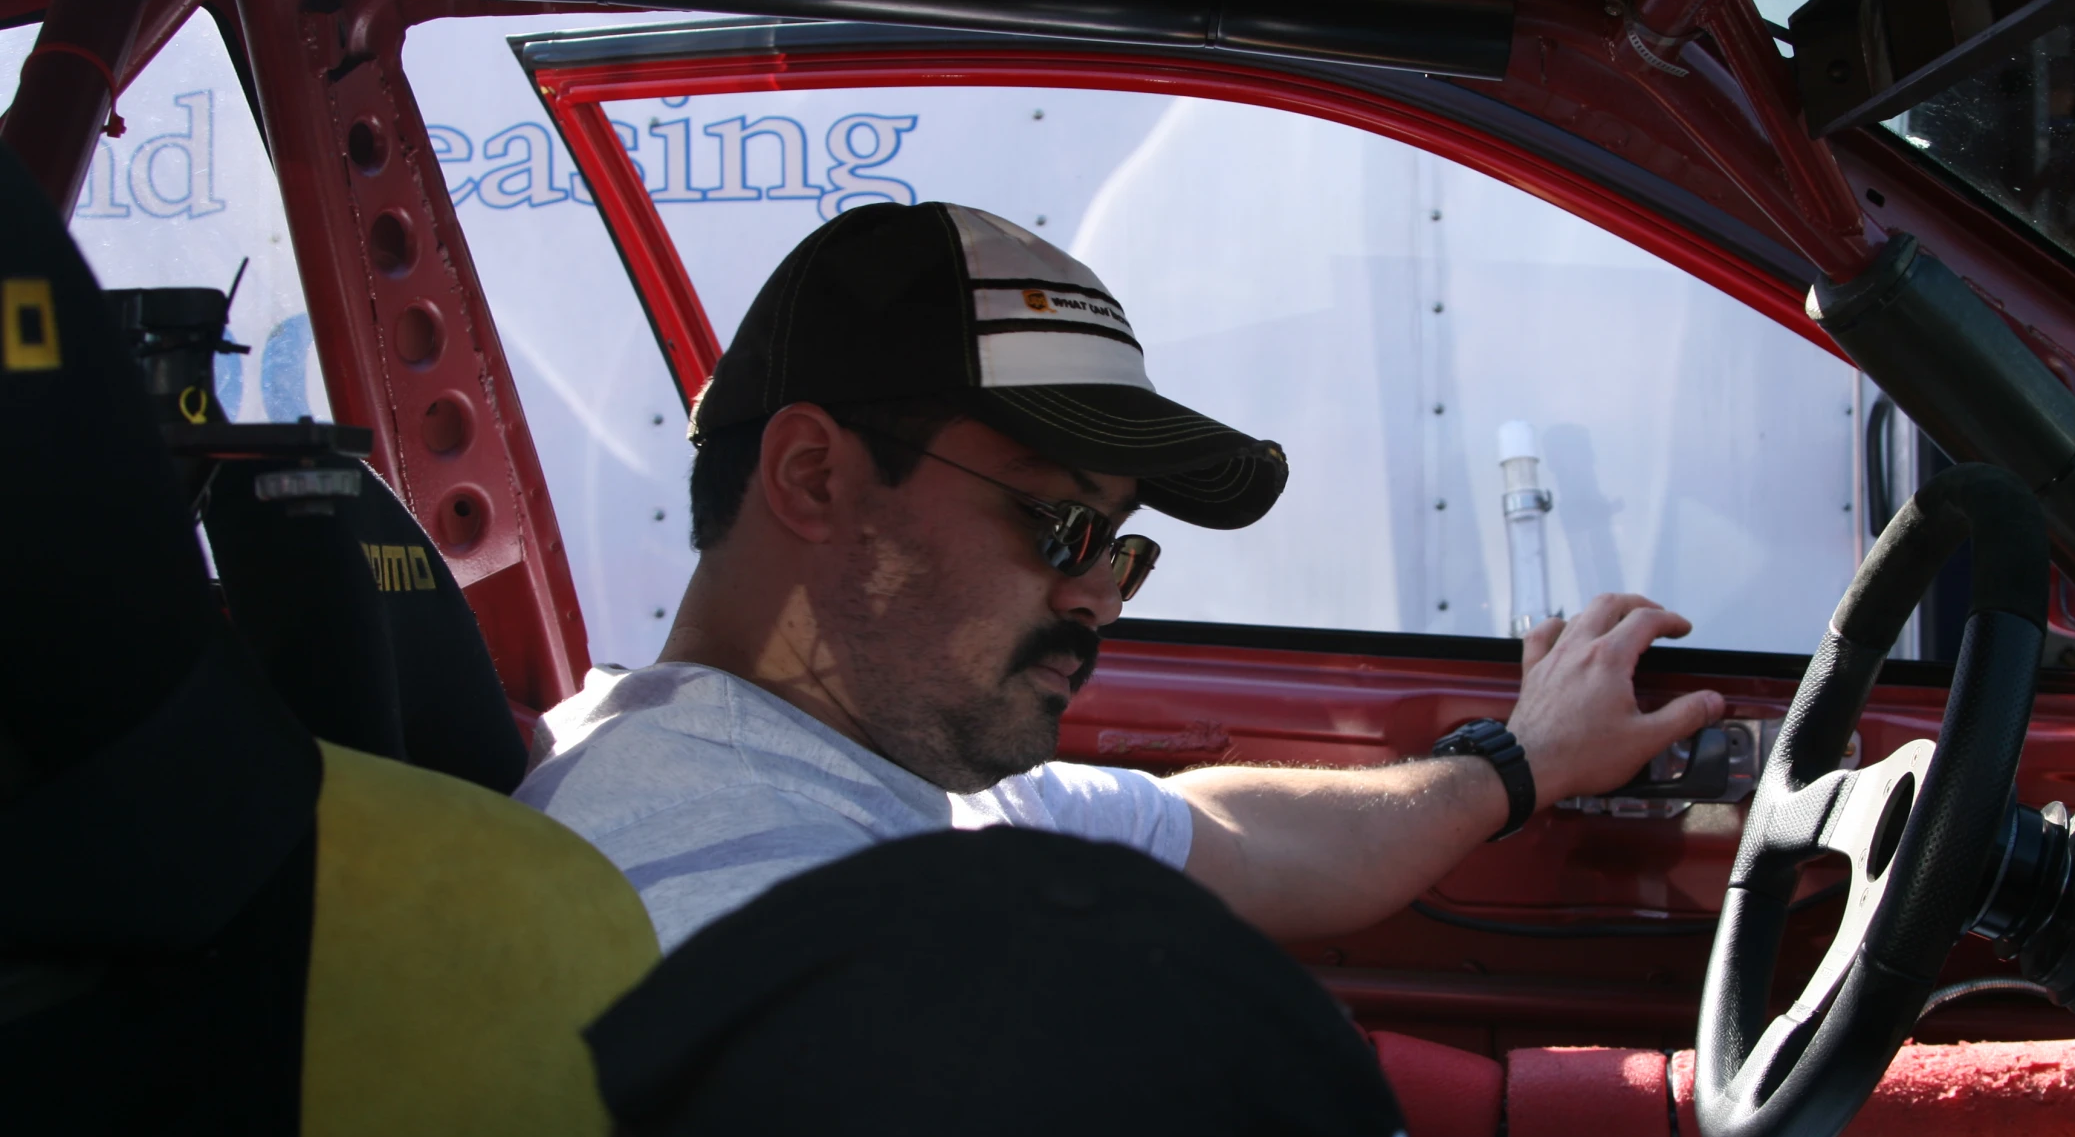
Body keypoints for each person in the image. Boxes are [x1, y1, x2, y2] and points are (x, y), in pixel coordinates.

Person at [517, 201, 1725, 952]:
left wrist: (1524, 762)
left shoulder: (884, 772)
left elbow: (1228, 833)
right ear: (815, 479)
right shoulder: (705, 877)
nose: (1097, 595)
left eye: (1121, 544)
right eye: (1058, 521)